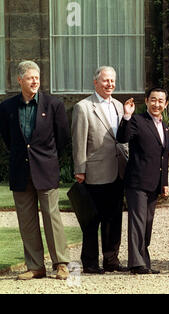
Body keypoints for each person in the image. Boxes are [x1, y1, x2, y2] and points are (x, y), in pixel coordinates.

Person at [0, 61, 71, 280]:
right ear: (19, 80)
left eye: (37, 78)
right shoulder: (6, 107)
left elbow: (62, 139)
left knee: (52, 217)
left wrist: (46, 158)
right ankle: (35, 266)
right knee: (27, 221)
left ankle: (61, 264)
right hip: (20, 171)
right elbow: (8, 139)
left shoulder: (53, 105)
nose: (35, 82)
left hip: (46, 169)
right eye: (30, 78)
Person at [72, 66, 128, 274]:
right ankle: (90, 263)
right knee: (91, 221)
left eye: (112, 80)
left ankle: (111, 261)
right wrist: (80, 169)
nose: (110, 84)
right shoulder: (83, 107)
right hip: (94, 172)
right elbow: (78, 141)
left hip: (117, 171)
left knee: (114, 219)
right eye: (105, 81)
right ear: (95, 82)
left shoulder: (119, 106)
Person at [116, 88, 169, 275]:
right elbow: (122, 137)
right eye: (153, 100)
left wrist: (164, 183)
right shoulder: (138, 121)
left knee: (147, 222)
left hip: (154, 183)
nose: (156, 104)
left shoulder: (164, 126)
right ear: (146, 101)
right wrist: (127, 116)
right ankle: (137, 263)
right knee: (137, 222)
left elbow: (164, 156)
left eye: (160, 101)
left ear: (166, 104)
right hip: (137, 181)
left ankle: (143, 261)